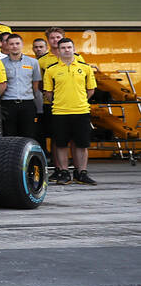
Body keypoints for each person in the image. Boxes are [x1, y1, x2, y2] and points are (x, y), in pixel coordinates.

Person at [44, 38, 97, 185]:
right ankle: (64, 172)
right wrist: (60, 102)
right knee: (61, 144)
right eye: (63, 48)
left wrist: (79, 101)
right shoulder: (51, 69)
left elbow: (91, 90)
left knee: (82, 144)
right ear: (58, 50)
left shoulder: (85, 68)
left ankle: (81, 173)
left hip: (81, 111)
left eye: (69, 47)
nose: (66, 50)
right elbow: (48, 92)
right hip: (59, 112)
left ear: (74, 49)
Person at [0, 33, 41, 140]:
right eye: (11, 44)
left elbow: (35, 86)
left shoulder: (33, 62)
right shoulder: (0, 63)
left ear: (22, 44)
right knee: (9, 136)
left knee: (29, 136)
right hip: (8, 104)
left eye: (17, 43)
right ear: (7, 45)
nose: (14, 46)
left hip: (27, 104)